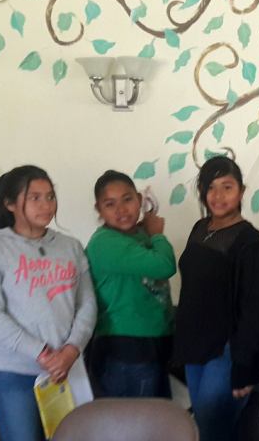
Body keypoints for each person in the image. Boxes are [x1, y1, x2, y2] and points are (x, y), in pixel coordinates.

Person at [0, 165, 97, 441]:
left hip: (68, 370)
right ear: (10, 204)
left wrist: (71, 350)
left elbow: (87, 304)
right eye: (35, 197)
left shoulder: (71, 246)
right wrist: (42, 354)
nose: (46, 205)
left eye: (50, 196)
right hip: (15, 375)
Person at [173, 156, 259, 441]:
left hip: (227, 351)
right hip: (194, 347)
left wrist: (244, 366)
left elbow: (258, 310)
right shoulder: (200, 229)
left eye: (227, 187)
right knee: (205, 427)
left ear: (241, 191)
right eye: (211, 187)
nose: (218, 195)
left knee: (213, 428)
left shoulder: (252, 243)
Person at [86, 170, 176, 398]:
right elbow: (165, 265)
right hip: (126, 350)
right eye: (110, 204)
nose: (121, 210)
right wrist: (157, 234)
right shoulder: (105, 243)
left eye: (127, 199)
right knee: (137, 419)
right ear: (99, 209)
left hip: (152, 345)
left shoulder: (138, 234)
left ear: (139, 199)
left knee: (157, 416)